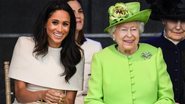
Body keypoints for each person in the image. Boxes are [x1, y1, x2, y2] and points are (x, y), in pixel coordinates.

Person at [84, 2, 175, 104]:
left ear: (139, 32)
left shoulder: (155, 54)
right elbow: (93, 100)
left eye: (133, 29)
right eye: (123, 30)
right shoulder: (101, 58)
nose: (129, 35)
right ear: (114, 33)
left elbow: (167, 97)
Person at [8, 0, 84, 104]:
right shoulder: (25, 44)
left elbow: (70, 101)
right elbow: (20, 94)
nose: (60, 29)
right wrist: (42, 95)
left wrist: (59, 99)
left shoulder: (76, 54)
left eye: (65, 24)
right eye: (55, 22)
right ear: (44, 23)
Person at [144, 0, 185, 103]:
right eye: (173, 20)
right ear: (163, 20)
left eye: (184, 21)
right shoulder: (147, 47)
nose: (178, 27)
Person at [66, 0, 102, 104]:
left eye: (80, 11)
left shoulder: (95, 47)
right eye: (72, 12)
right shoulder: (54, 46)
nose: (78, 16)